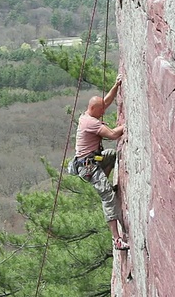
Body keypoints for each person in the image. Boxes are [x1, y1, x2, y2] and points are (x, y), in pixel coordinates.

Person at [68, 74, 129, 250]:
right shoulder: (90, 123)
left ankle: (106, 182)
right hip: (89, 168)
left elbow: (105, 102)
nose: (104, 112)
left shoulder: (88, 114)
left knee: (110, 155)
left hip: (93, 161)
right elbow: (112, 134)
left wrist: (116, 86)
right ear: (94, 109)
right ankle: (116, 240)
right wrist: (127, 125)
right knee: (108, 198)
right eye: (101, 110)